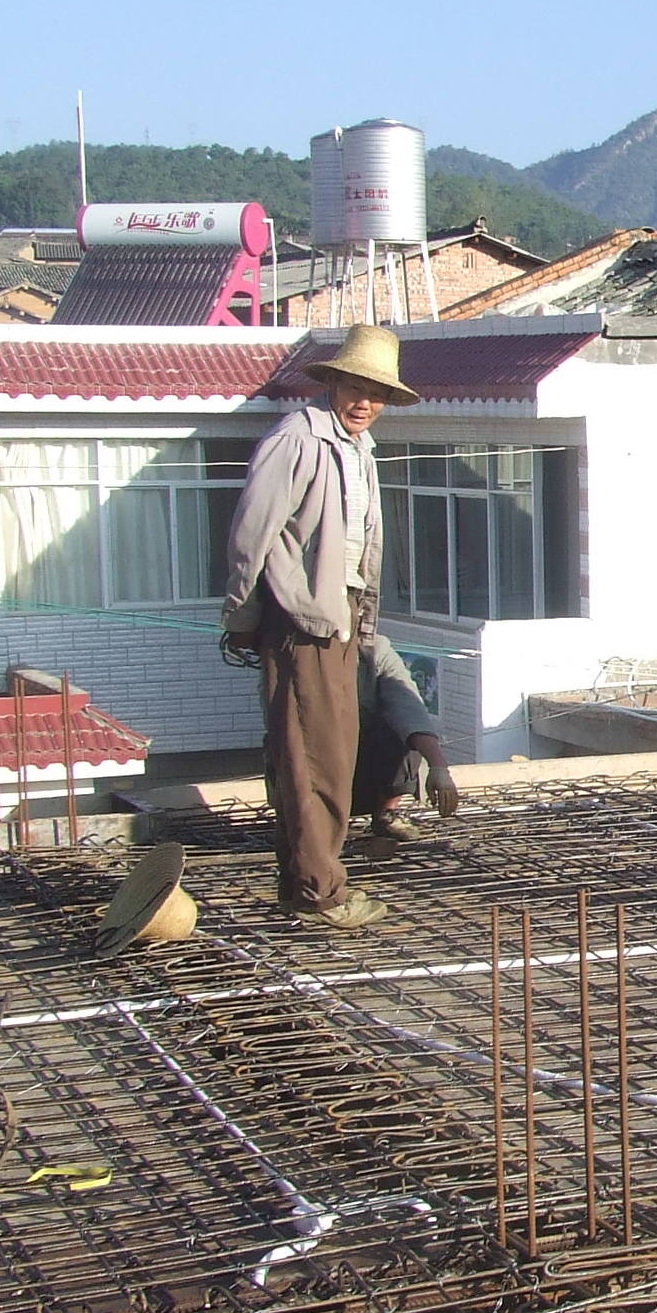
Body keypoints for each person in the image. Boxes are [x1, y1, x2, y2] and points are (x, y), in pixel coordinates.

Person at [222, 324, 417, 931]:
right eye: (353, 386)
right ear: (331, 382)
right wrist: (244, 614)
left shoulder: (357, 448)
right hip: (302, 618)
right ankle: (318, 892)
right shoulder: (299, 439)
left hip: (339, 619)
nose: (363, 401)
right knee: (313, 758)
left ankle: (307, 880)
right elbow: (252, 533)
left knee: (328, 755)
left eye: (374, 392)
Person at [353, 634, 461, 839]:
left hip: (361, 773)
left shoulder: (373, 650)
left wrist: (438, 767)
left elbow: (408, 707)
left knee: (405, 733)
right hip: (311, 777)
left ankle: (386, 813)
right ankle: (302, 823)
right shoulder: (290, 647)